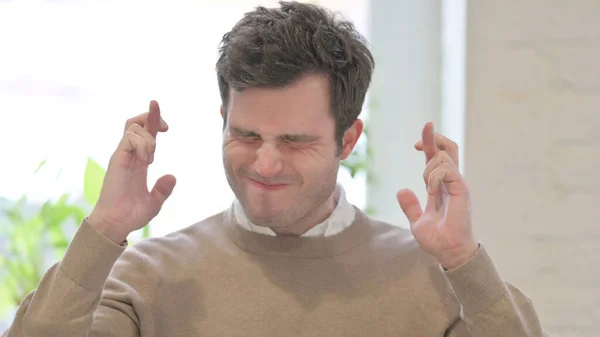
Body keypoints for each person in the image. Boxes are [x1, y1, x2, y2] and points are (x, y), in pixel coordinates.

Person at [3, 1, 547, 336]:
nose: (264, 163)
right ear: (222, 119)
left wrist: (462, 260)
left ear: (349, 139)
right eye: (245, 134)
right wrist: (104, 230)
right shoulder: (146, 276)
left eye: (294, 140)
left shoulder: (433, 279)